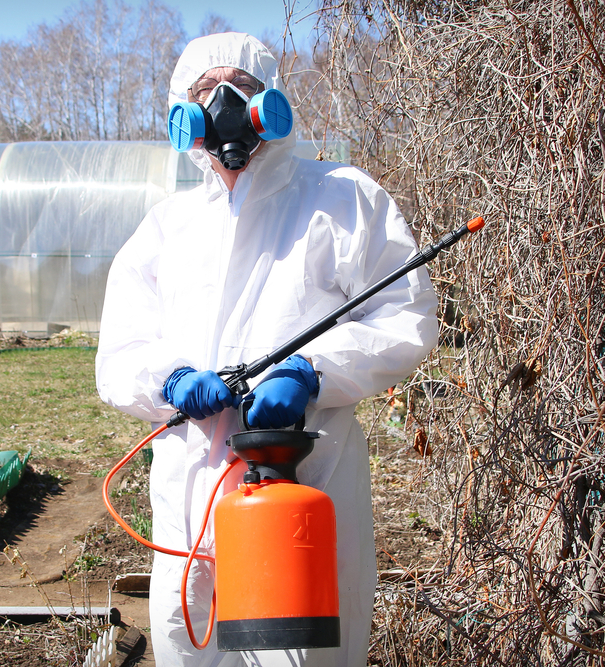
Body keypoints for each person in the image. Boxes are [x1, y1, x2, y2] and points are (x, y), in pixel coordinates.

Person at [95, 32, 439, 667]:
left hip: (311, 472)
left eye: (243, 88)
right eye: (206, 92)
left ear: (271, 101)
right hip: (191, 487)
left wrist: (312, 373)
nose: (225, 103)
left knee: (307, 647)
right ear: (184, 112)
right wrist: (169, 380)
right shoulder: (165, 230)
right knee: (189, 633)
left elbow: (408, 316)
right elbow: (119, 353)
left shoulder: (342, 199)